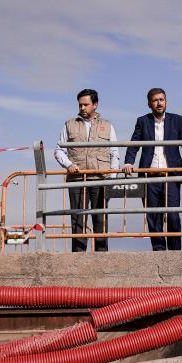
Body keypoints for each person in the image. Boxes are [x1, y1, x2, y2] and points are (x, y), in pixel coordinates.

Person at [124, 88, 182, 251]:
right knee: (153, 216)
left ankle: (175, 253)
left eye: (162, 99)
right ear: (149, 104)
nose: (159, 103)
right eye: (155, 100)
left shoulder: (177, 120)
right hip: (150, 176)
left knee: (173, 216)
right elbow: (133, 145)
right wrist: (128, 163)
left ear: (166, 101)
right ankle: (159, 252)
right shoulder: (142, 121)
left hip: (171, 175)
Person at [55, 88, 120, 252]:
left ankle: (102, 256)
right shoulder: (69, 124)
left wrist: (112, 179)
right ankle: (78, 257)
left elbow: (114, 153)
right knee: (78, 220)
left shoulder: (107, 126)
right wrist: (68, 164)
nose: (82, 108)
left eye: (86, 104)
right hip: (77, 181)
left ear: (95, 105)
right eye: (80, 105)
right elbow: (59, 150)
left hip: (101, 180)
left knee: (101, 220)